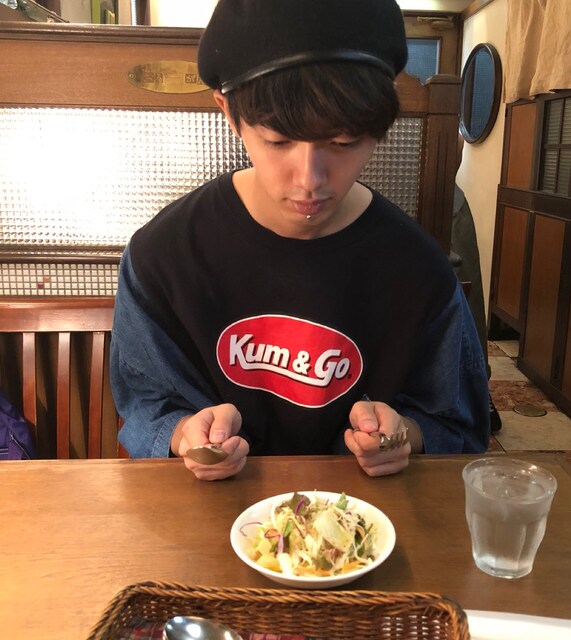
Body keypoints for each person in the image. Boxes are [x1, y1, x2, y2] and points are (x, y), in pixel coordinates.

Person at [110, 0, 490, 481]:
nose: (310, 179)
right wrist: (186, 433)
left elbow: (457, 422)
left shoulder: (418, 269)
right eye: (278, 140)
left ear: (379, 126)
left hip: (365, 514)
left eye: (343, 142)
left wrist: (403, 437)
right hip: (213, 508)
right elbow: (145, 402)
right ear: (229, 112)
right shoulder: (163, 257)